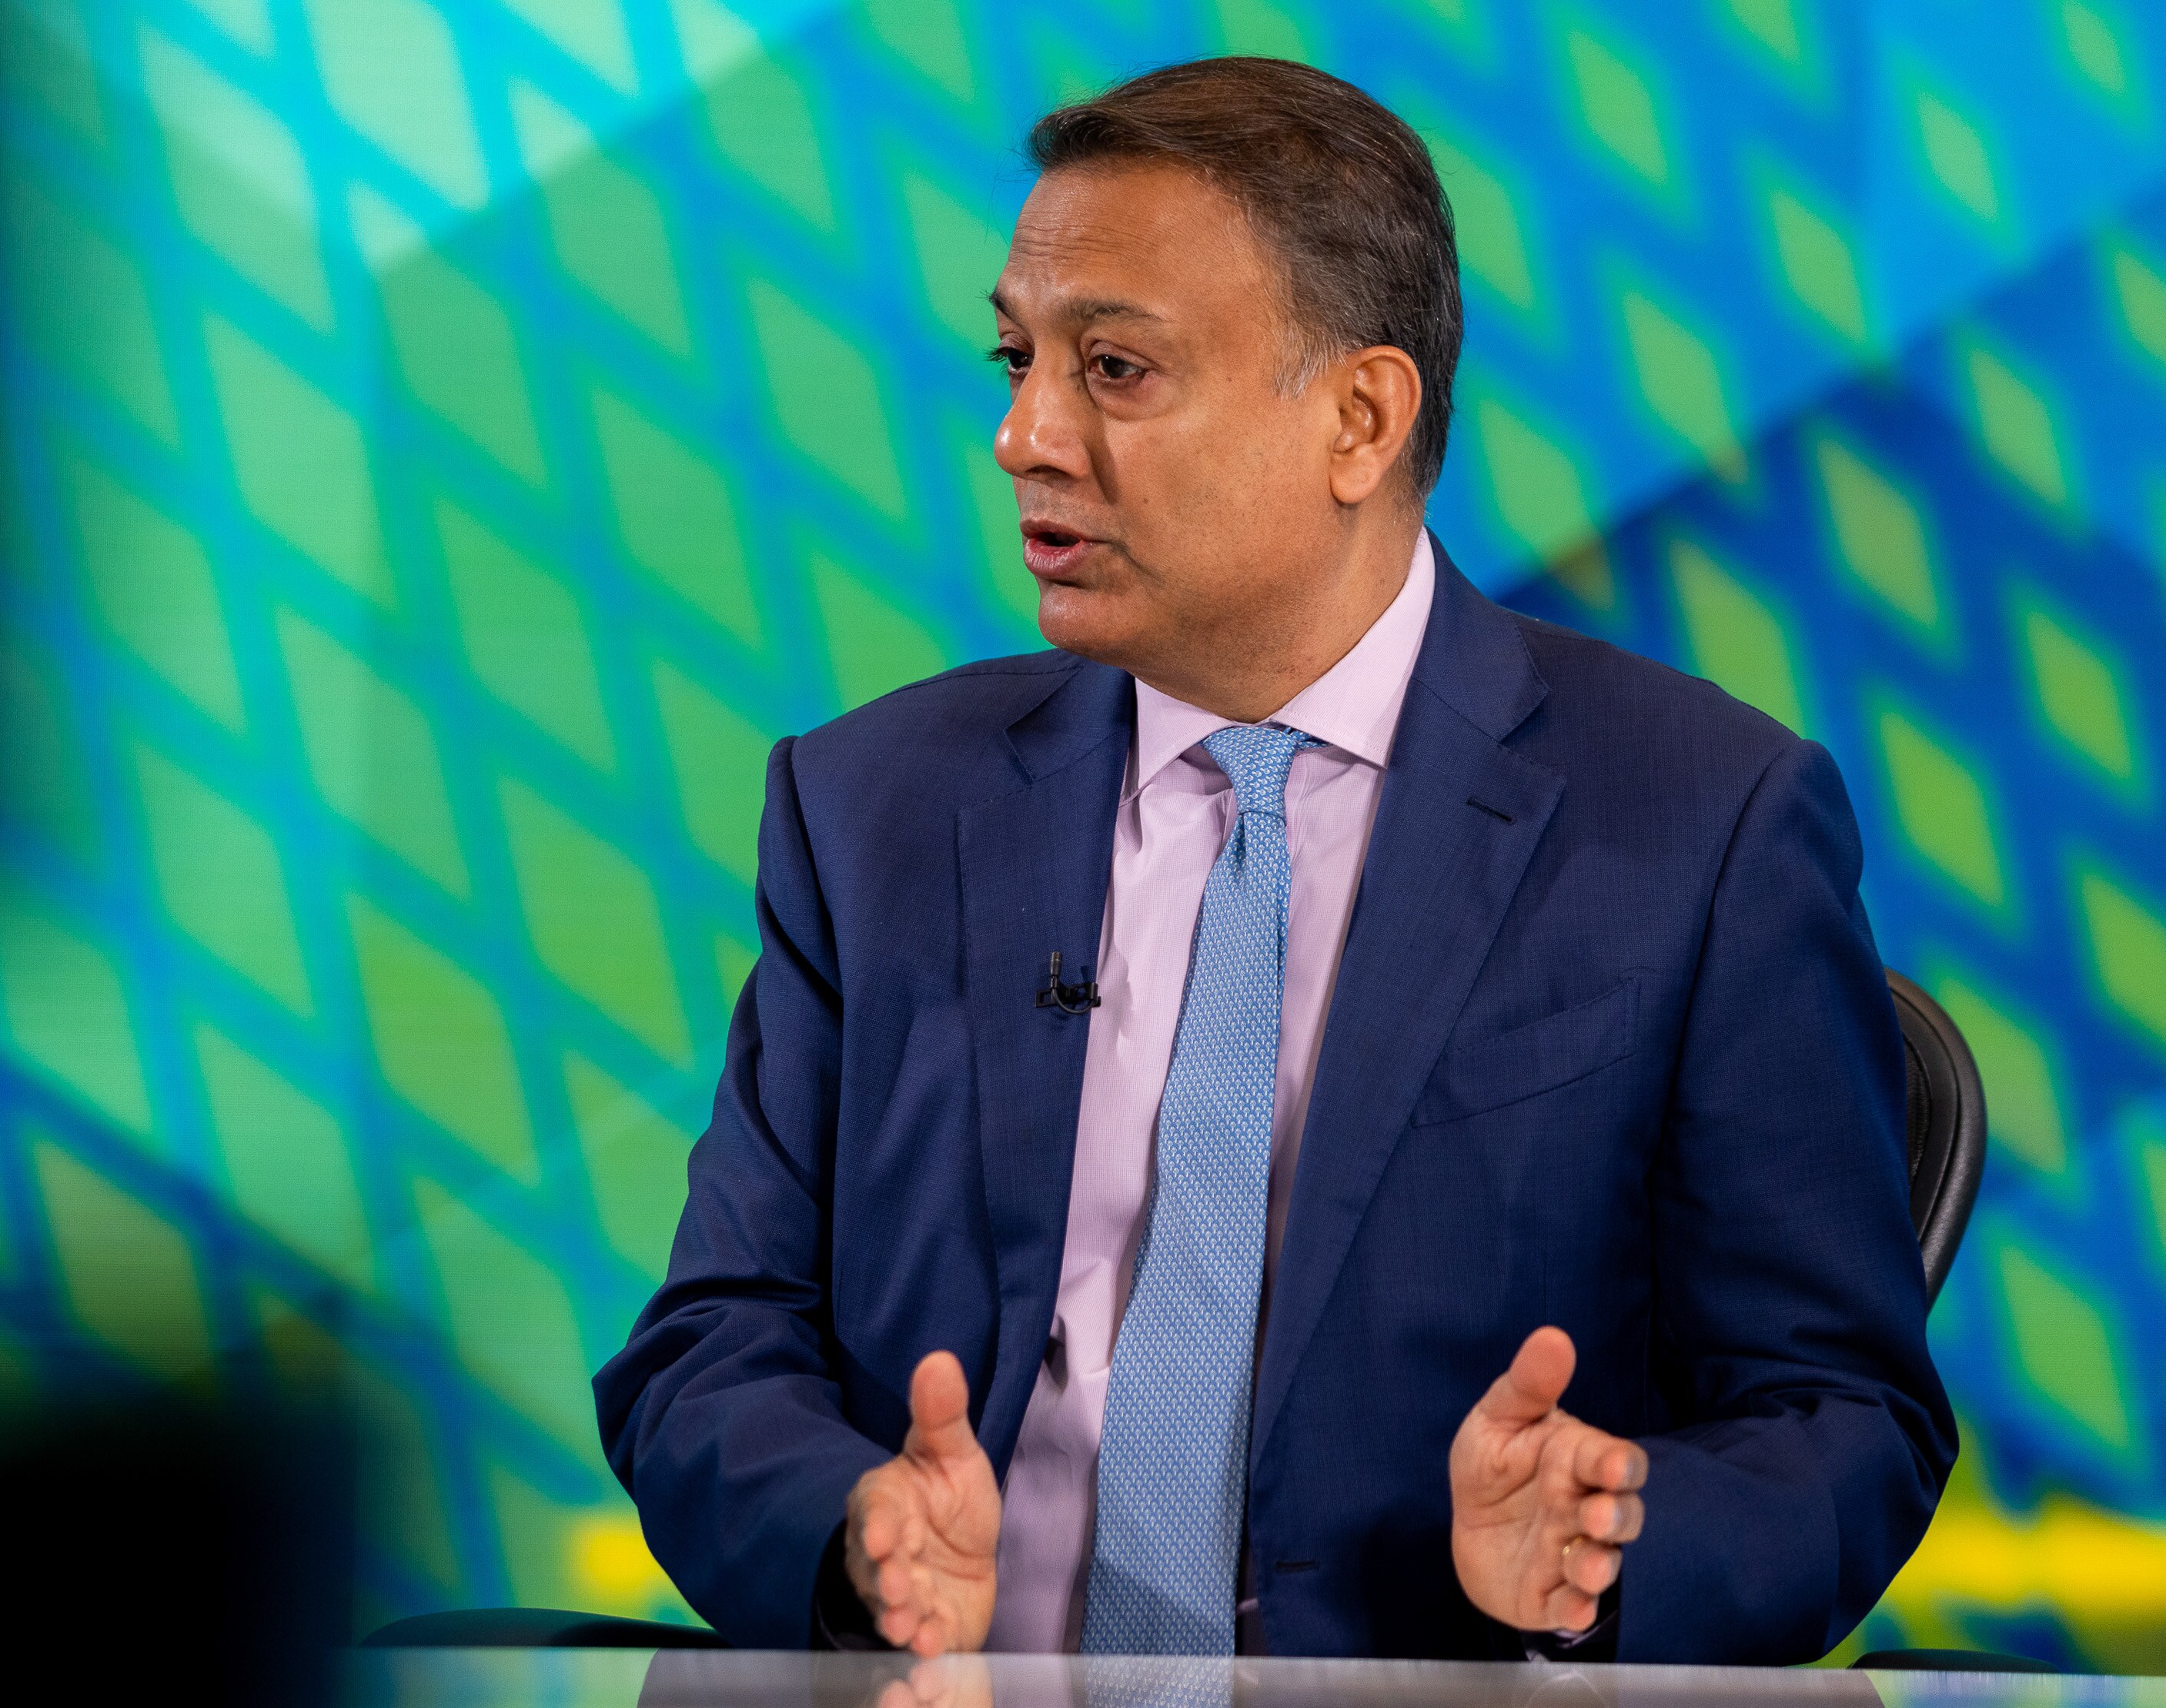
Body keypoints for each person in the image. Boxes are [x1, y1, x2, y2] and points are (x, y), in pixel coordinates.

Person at [593, 57, 1952, 1664]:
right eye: (1017, 358)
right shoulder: (870, 809)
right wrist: (851, 1537)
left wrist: (1610, 1547)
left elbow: (1840, 1420)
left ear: (1358, 419)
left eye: (1113, 368)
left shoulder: (1699, 822)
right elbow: (711, 1346)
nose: (1021, 435)